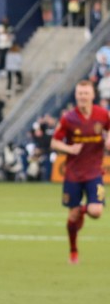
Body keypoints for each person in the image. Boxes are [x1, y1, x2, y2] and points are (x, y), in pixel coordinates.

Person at [49, 79, 110, 264]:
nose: (82, 97)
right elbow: (54, 142)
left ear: (92, 95)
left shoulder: (102, 114)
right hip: (73, 174)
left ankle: (84, 209)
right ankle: (73, 250)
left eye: (85, 93)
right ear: (76, 95)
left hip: (94, 173)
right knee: (72, 217)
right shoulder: (68, 118)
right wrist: (69, 149)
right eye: (79, 93)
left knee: (96, 211)